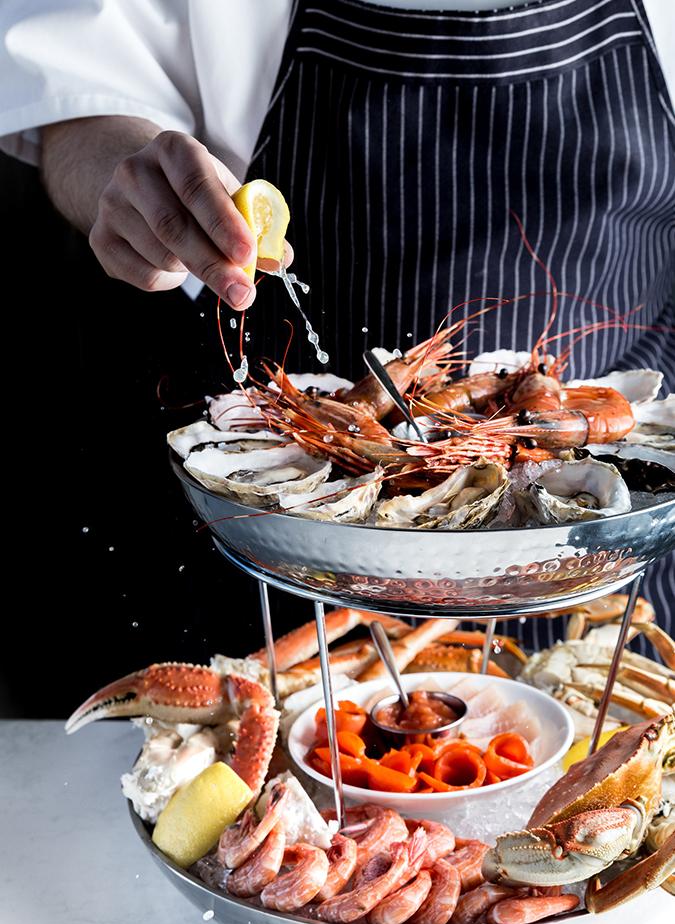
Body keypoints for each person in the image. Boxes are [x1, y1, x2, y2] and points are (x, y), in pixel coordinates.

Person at [1, 0, 673, 657]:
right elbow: (73, 85)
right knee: (260, 718)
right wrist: (135, 182)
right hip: (270, 559)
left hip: (617, 551)